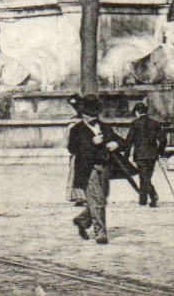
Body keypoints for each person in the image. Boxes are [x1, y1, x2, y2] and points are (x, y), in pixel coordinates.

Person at [68, 95, 121, 245]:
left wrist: (115, 143)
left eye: (93, 114)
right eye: (88, 114)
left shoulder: (104, 127)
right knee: (97, 199)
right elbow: (72, 149)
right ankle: (100, 233)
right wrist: (92, 143)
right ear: (83, 114)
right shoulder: (77, 130)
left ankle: (82, 221)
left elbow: (120, 140)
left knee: (101, 198)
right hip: (87, 168)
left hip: (103, 167)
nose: (91, 117)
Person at [125, 102, 165, 207]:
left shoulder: (135, 123)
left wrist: (126, 155)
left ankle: (152, 195)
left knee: (144, 177)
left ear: (137, 112)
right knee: (146, 176)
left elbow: (129, 141)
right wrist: (160, 152)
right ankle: (143, 199)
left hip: (140, 155)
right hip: (152, 155)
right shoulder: (155, 123)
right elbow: (163, 139)